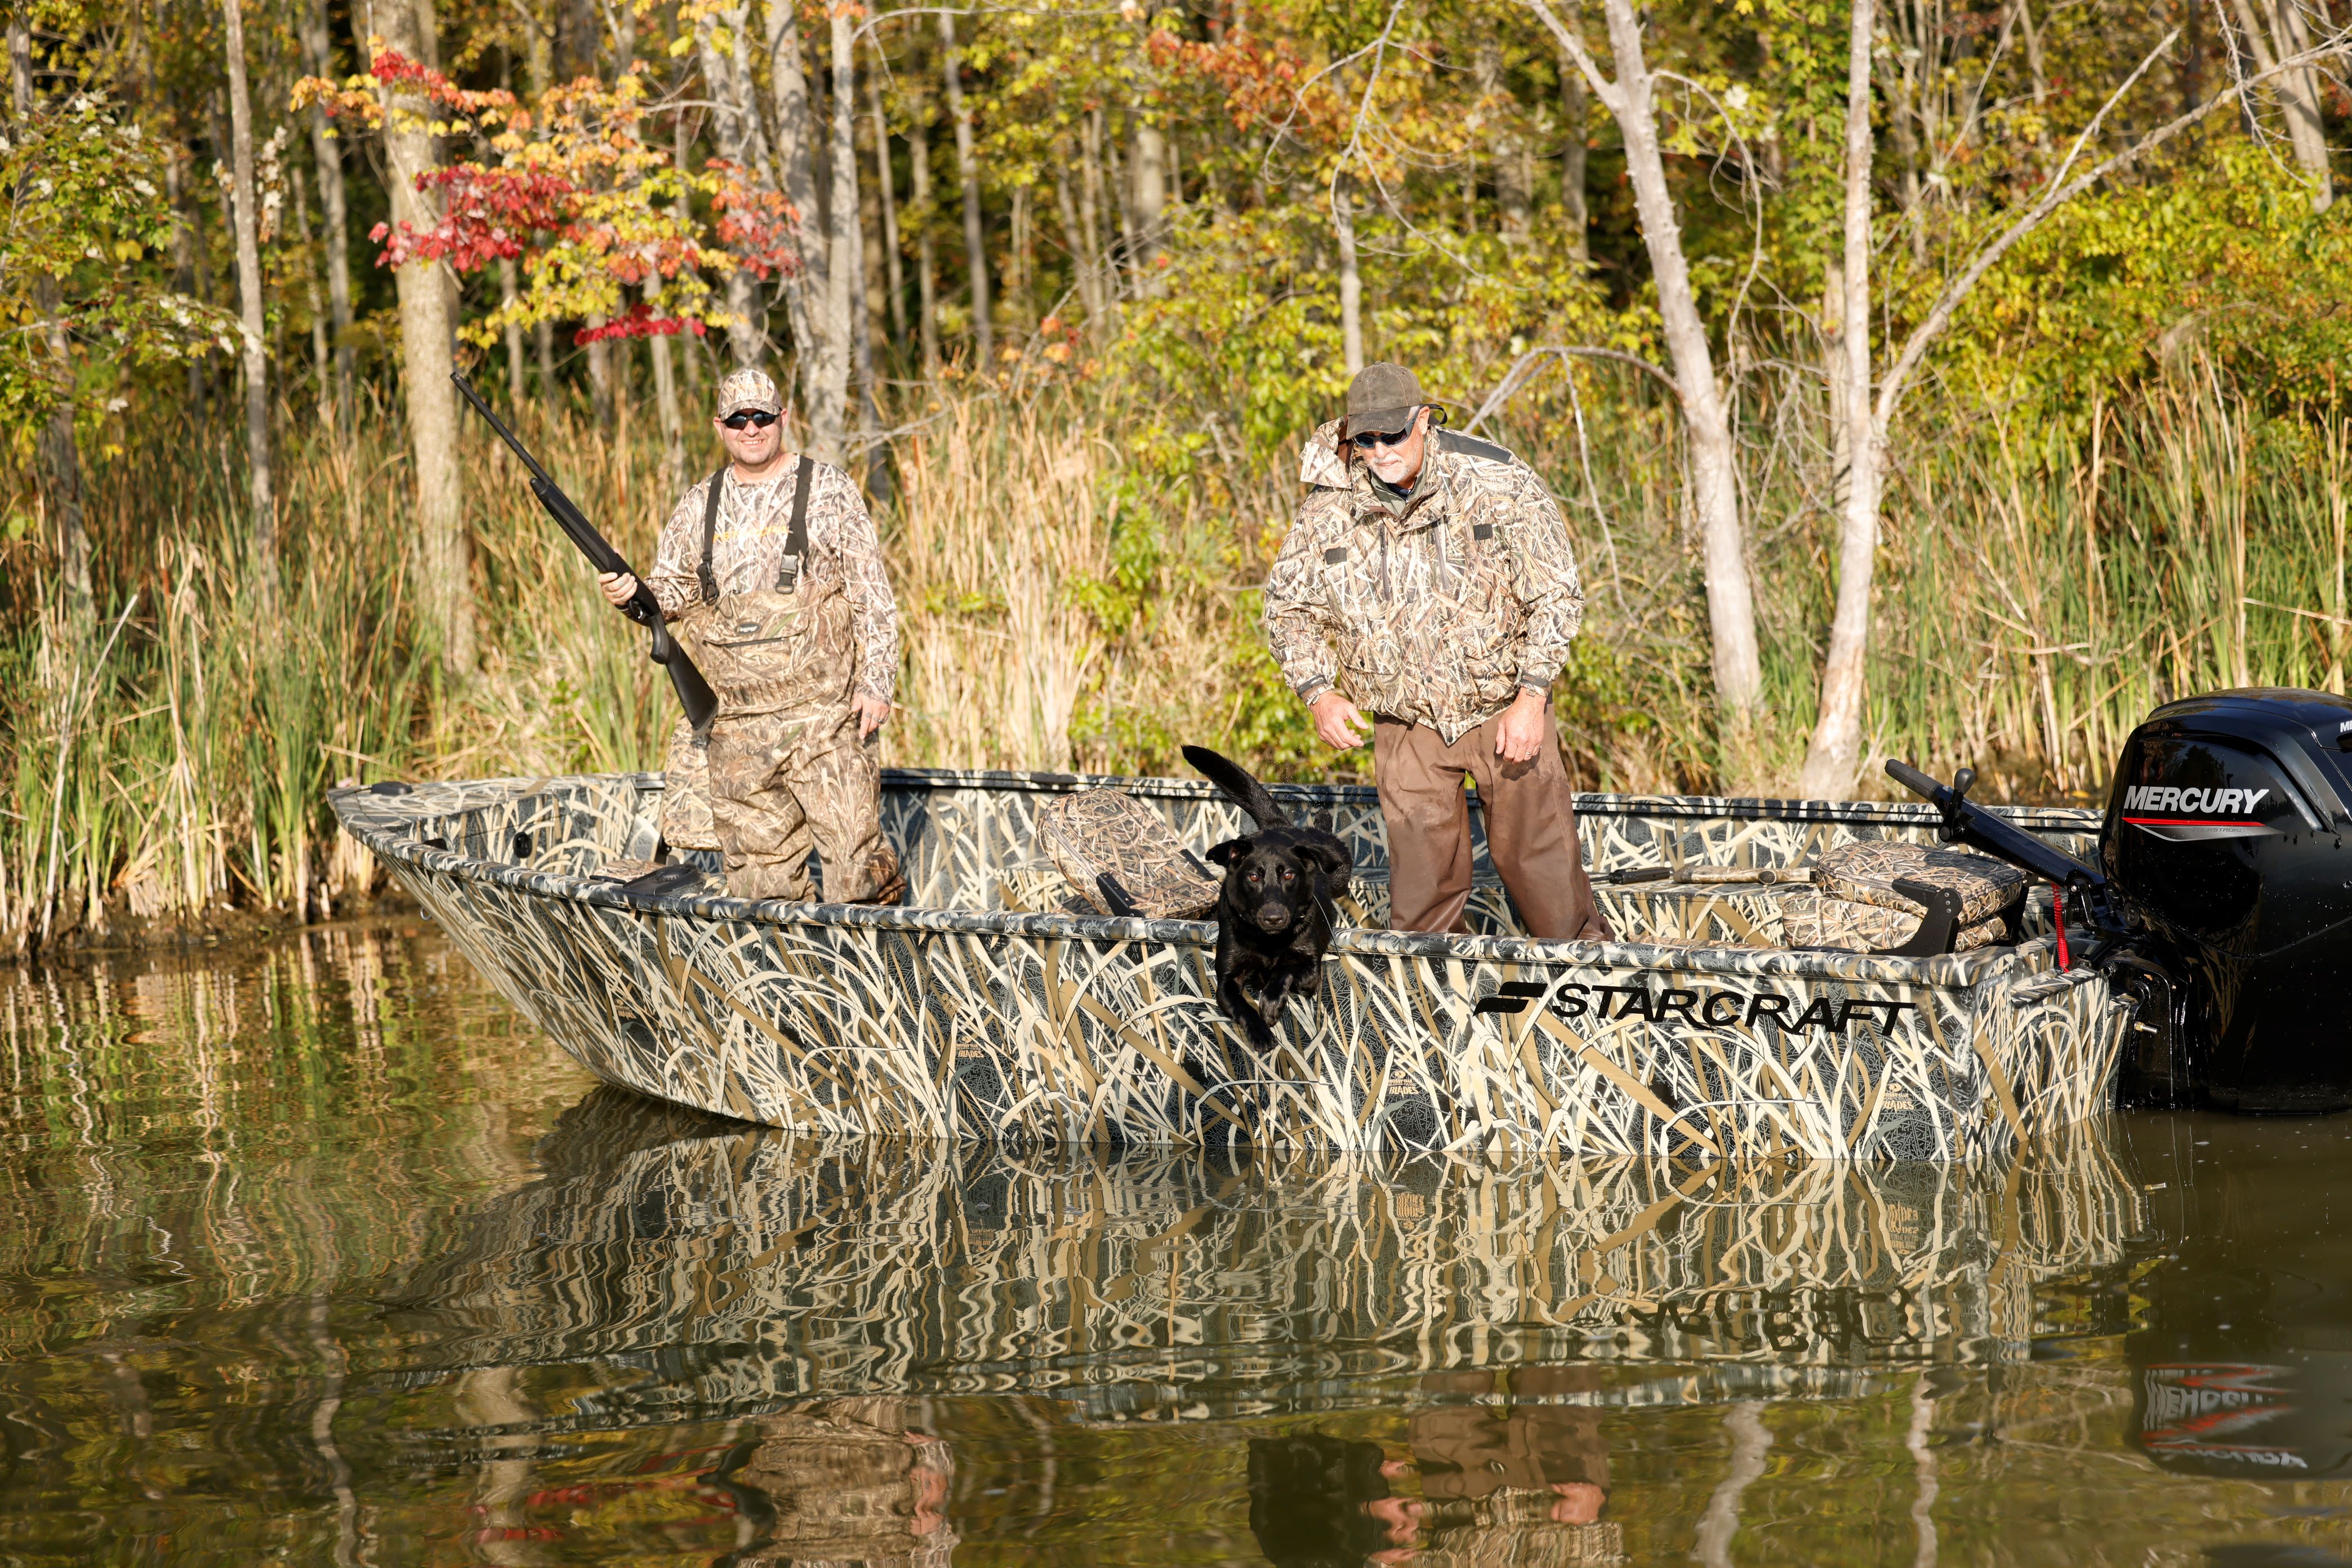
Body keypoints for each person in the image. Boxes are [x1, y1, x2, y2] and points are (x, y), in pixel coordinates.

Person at [1262, 361, 1613, 941]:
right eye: (1365, 439)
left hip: (1505, 708)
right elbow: (1287, 610)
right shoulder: (1326, 510)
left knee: (1546, 880)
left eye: (1392, 435)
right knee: (1421, 902)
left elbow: (1556, 594)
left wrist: (1532, 697)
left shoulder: (1498, 482)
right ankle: (1432, 1017)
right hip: (1406, 726)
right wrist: (1317, 693)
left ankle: (1584, 1000)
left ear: (1423, 420)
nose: (1379, 451)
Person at [598, 368, 905, 905]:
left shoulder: (829, 489)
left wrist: (877, 684)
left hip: (826, 717)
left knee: (859, 871)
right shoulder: (699, 504)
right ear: (720, 427)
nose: (752, 428)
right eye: (739, 419)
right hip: (739, 730)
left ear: (782, 418)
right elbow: (671, 595)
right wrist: (633, 595)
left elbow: (872, 596)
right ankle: (794, 984)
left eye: (762, 416)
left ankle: (885, 977)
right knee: (761, 887)